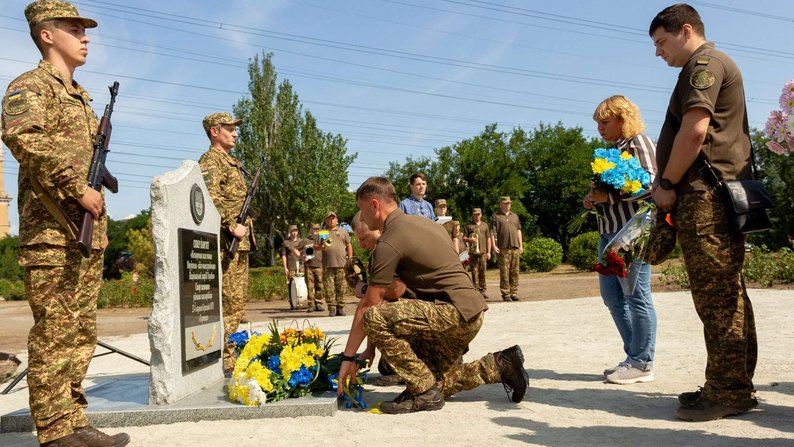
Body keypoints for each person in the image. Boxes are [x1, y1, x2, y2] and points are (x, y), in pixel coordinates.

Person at [1, 1, 130, 446]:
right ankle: (55, 432)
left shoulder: (80, 96)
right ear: (46, 34)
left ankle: (75, 422)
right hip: (52, 234)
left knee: (80, 332)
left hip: (85, 236)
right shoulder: (29, 88)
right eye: (74, 28)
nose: (86, 36)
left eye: (85, 29)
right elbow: (24, 140)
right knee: (54, 334)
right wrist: (77, 188)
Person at [336, 177, 529, 414]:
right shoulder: (424, 224)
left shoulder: (390, 239)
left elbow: (370, 304)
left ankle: (424, 393)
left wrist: (348, 359)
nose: (363, 218)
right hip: (469, 313)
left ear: (375, 205)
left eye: (363, 211)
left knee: (373, 317)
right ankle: (501, 365)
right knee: (432, 382)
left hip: (452, 313)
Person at [649, 3, 757, 421]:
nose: (658, 52)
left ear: (685, 30)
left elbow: (695, 131)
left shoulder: (704, 65)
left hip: (705, 196)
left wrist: (668, 183)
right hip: (713, 195)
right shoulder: (704, 66)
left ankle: (728, 391)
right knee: (727, 294)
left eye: (661, 42)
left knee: (718, 298)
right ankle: (730, 384)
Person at [583, 95, 658, 385]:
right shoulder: (611, 150)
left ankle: (643, 361)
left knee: (636, 295)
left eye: (605, 121)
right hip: (608, 231)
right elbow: (608, 191)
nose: (600, 128)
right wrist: (592, 199)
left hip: (632, 232)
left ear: (623, 119)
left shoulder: (639, 143)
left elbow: (652, 185)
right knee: (612, 297)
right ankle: (633, 357)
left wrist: (609, 196)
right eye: (598, 123)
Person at [198, 111, 255, 375]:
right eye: (229, 128)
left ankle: (229, 352)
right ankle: (225, 359)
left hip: (239, 242)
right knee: (229, 301)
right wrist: (232, 226)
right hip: (227, 241)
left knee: (237, 301)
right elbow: (211, 198)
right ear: (214, 131)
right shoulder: (212, 160)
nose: (235, 132)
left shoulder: (231, 162)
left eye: (235, 128)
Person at [320, 211, 353, 316]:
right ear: (326, 220)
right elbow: (318, 246)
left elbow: (348, 245)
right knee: (329, 288)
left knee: (342, 287)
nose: (331, 220)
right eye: (329, 218)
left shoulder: (343, 231)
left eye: (333, 218)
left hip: (341, 264)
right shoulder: (323, 232)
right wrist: (322, 247)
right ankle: (332, 308)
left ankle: (340, 308)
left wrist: (350, 259)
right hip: (328, 265)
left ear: (337, 220)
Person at [491, 197, 522, 302]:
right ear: (501, 204)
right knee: (504, 272)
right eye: (505, 203)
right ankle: (505, 293)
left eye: (509, 203)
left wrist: (521, 245)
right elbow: (492, 232)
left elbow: (518, 231)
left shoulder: (515, 216)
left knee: (515, 272)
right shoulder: (496, 216)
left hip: (515, 247)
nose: (507, 205)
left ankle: (514, 292)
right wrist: (494, 246)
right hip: (503, 248)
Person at [464, 208, 492, 299]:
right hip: (473, 253)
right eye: (475, 214)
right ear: (473, 215)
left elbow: (488, 238)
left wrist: (489, 252)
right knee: (474, 272)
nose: (477, 216)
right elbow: (463, 238)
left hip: (483, 252)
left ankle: (483, 291)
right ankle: (476, 290)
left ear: (481, 215)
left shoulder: (485, 225)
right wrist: (470, 239)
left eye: (478, 214)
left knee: (482, 272)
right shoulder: (469, 226)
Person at [304, 223, 325, 313]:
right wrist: (302, 257)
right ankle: (311, 305)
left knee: (319, 285)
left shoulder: (322, 240)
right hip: (309, 266)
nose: (316, 231)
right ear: (310, 230)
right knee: (310, 286)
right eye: (314, 229)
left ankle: (319, 304)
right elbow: (296, 249)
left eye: (317, 229)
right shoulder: (306, 240)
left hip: (320, 266)